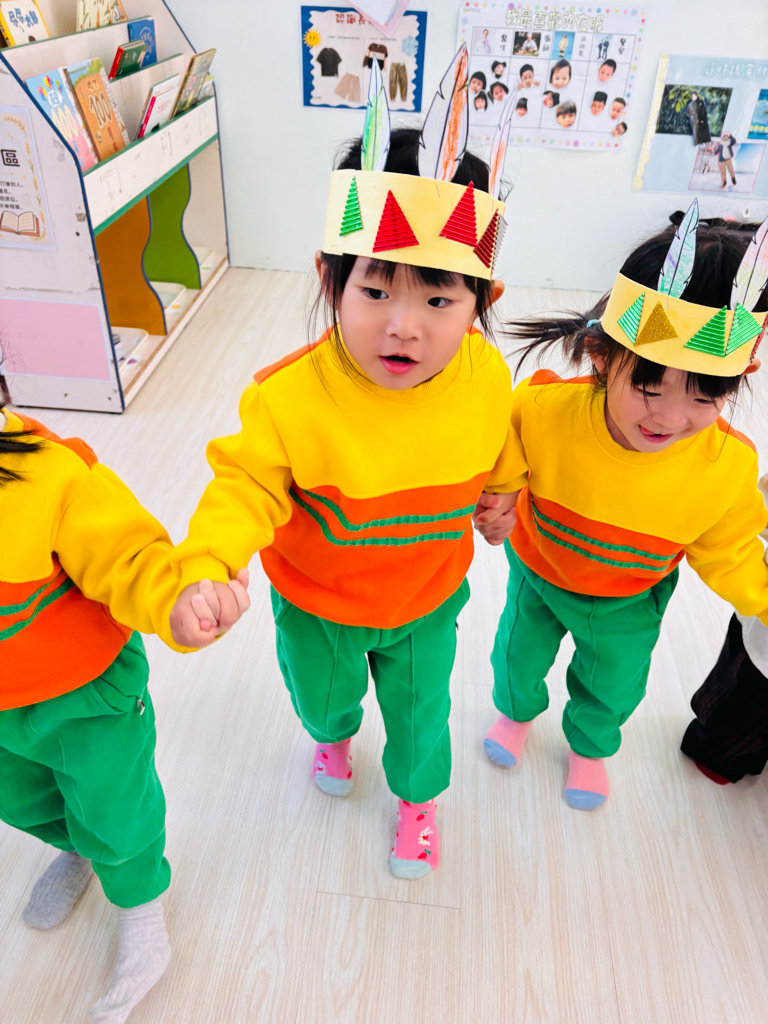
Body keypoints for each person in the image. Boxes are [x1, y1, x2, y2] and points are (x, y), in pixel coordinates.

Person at [168, 60, 522, 879]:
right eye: (377, 291)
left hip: (425, 597)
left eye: (439, 300)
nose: (404, 327)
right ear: (331, 281)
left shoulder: (485, 377)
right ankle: (331, 739)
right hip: (317, 603)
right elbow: (244, 485)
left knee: (422, 717)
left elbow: (499, 446)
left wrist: (504, 495)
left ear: (481, 302)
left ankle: (419, 803)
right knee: (323, 703)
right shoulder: (289, 395)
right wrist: (207, 564)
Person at [475, 211, 768, 811]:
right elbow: (510, 445)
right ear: (601, 355)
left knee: (612, 684)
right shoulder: (546, 409)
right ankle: (515, 714)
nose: (669, 417)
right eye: (649, 388)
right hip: (539, 572)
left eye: (704, 396)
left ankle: (589, 747)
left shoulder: (726, 466)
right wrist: (500, 495)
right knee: (515, 657)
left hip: (630, 598)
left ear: (740, 377)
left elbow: (730, 550)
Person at [0, 379, 249, 1021]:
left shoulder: (52, 475)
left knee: (116, 809)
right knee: (21, 799)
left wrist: (177, 602)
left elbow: (132, 558)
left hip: (83, 696)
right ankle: (78, 846)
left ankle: (140, 911)